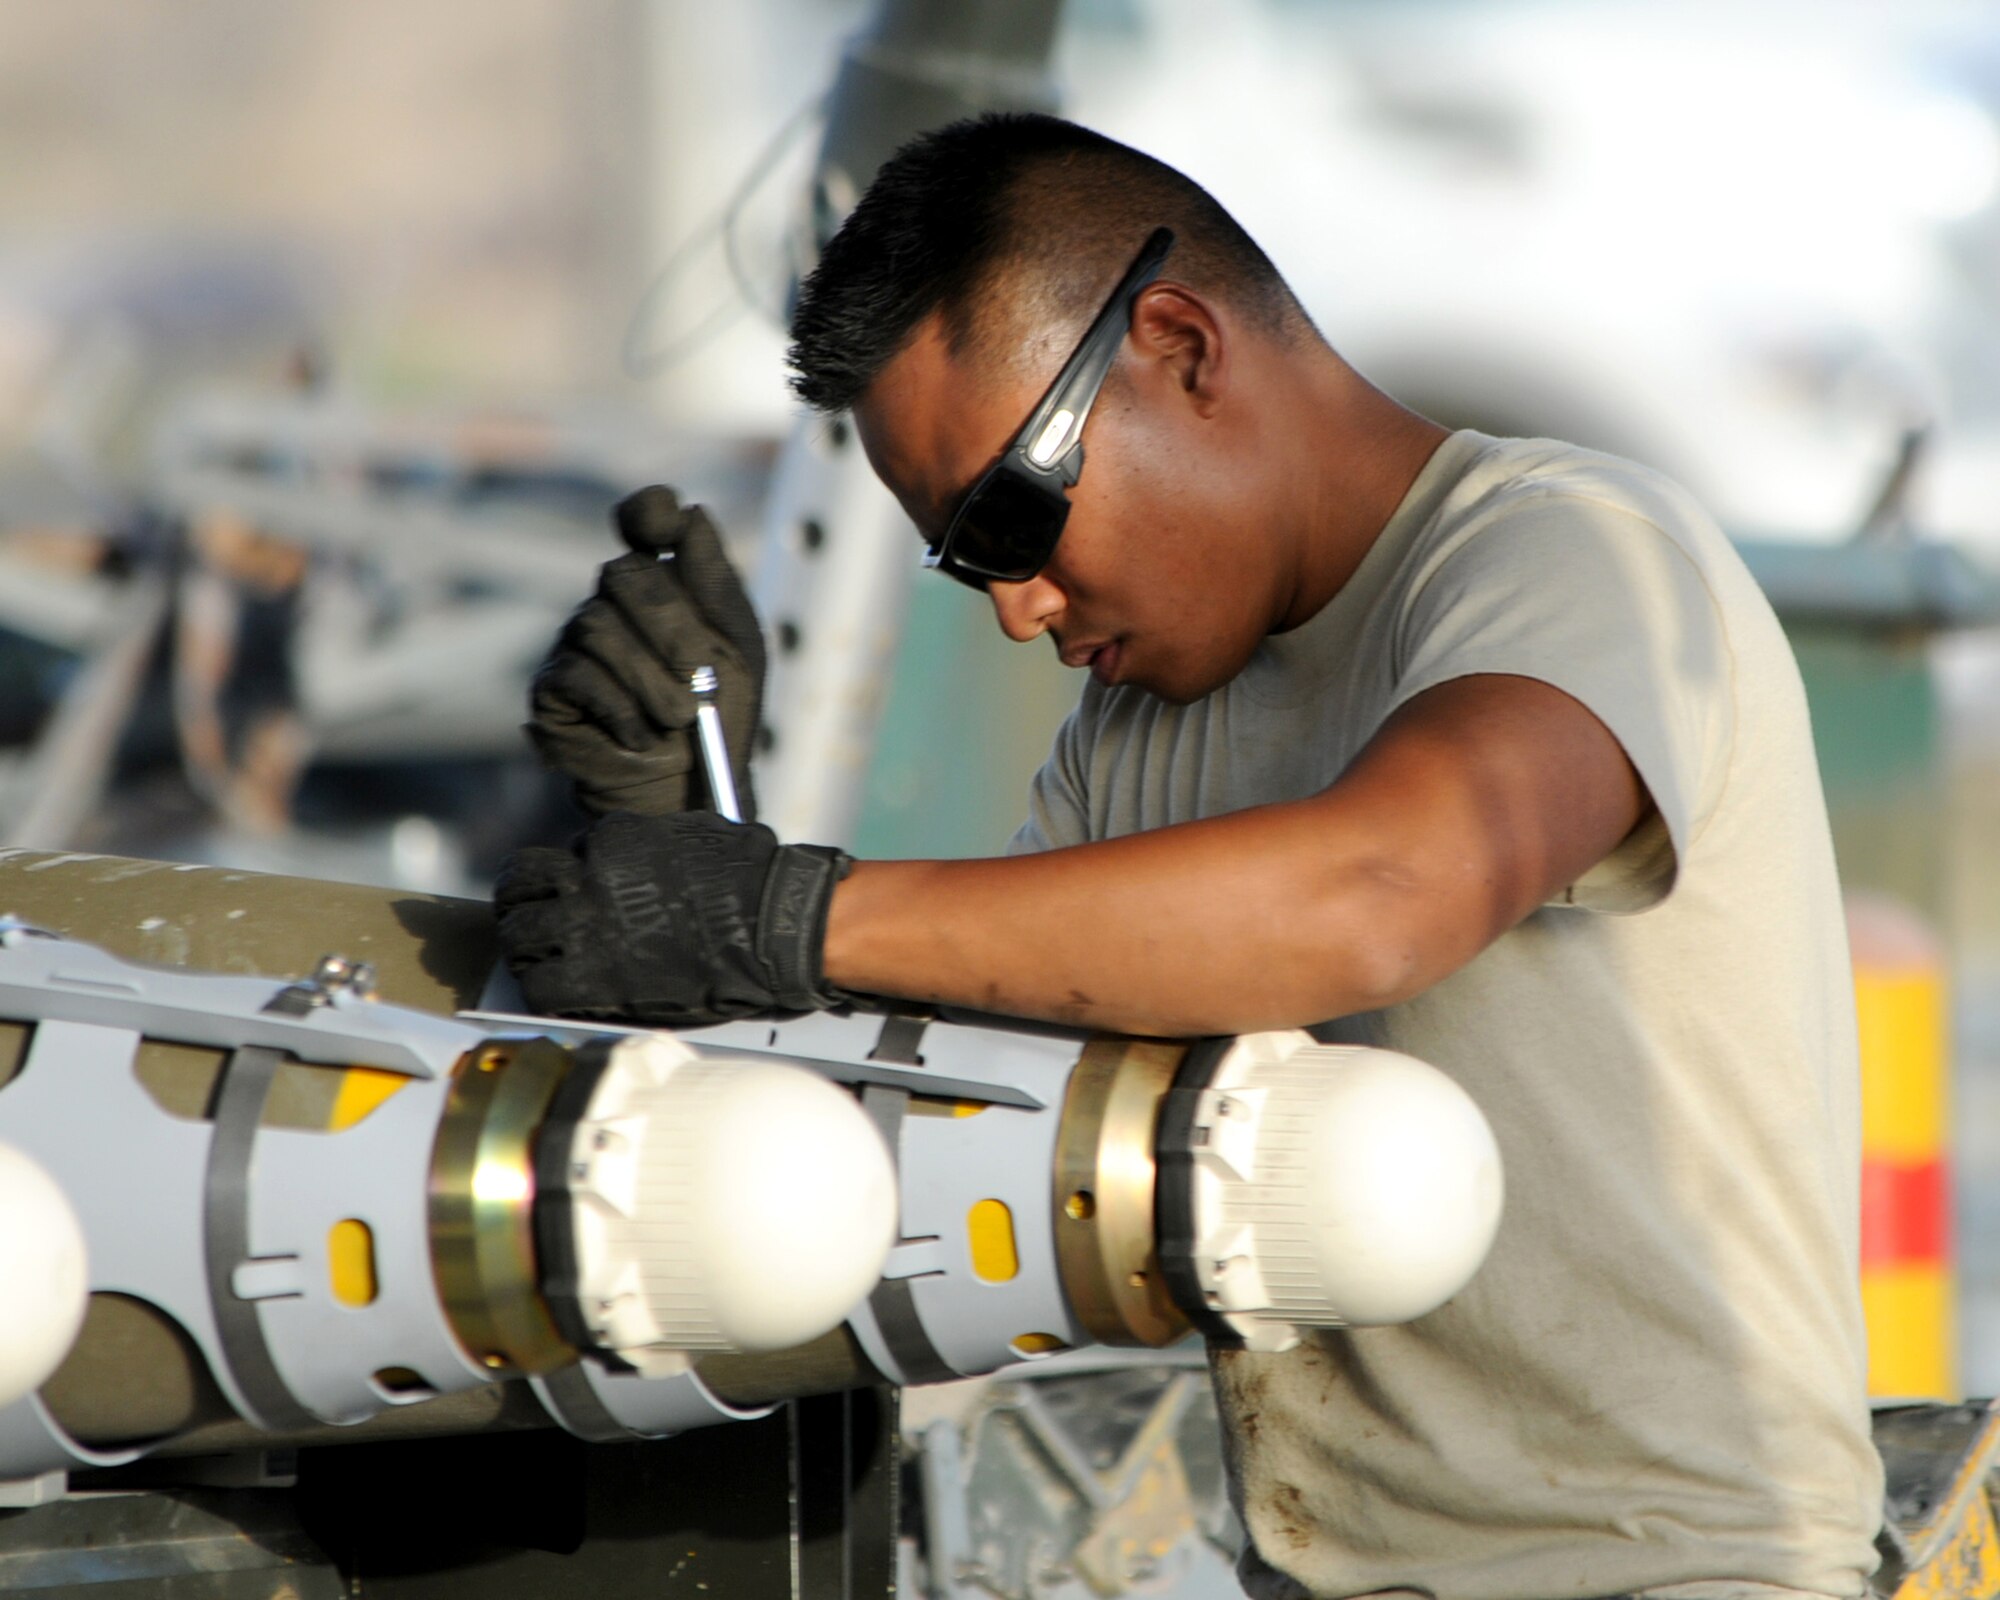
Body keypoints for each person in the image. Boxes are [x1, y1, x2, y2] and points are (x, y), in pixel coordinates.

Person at [497, 114, 1882, 1600]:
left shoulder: (1572, 556)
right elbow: (945, 1109)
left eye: (1008, 516)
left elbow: (1385, 889)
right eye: (965, 558)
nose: (1017, 606)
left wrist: (783, 912)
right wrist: (695, 835)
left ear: (1179, 345)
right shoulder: (1138, 735)